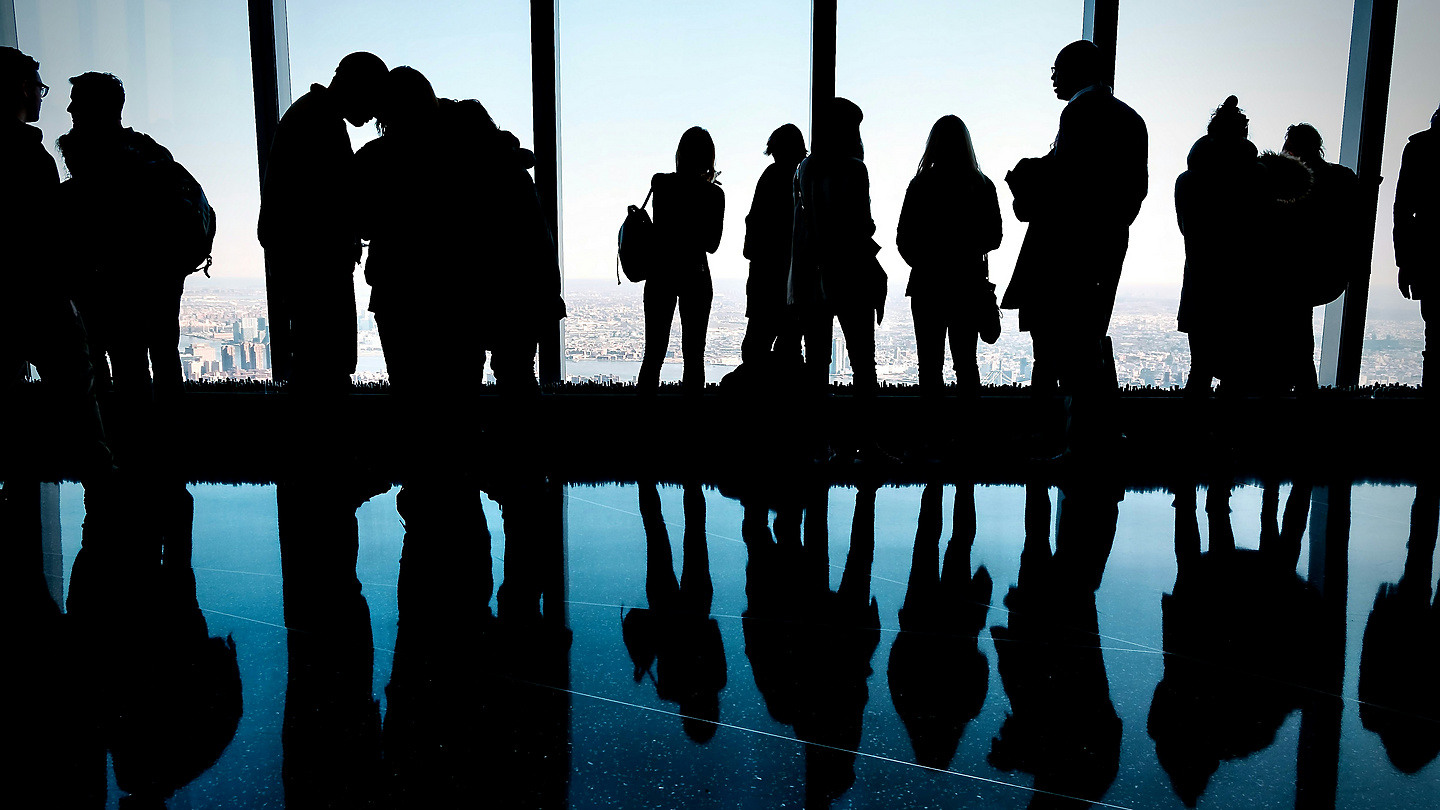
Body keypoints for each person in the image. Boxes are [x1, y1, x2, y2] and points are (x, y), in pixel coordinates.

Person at [1000, 40, 1147, 457]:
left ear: (1079, 71)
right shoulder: (1132, 120)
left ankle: (1061, 440)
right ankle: (1094, 437)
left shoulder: (1078, 114)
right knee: (1089, 341)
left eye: (1058, 68)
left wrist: (1028, 185)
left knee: (1058, 349)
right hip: (1107, 247)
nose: (1053, 77)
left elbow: (1063, 188)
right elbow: (1135, 192)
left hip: (1065, 253)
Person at [58, 72, 183, 455]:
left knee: (117, 368)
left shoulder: (91, 155)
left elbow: (90, 222)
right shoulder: (150, 152)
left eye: (77, 100)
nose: (70, 108)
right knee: (161, 358)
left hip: (109, 283)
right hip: (160, 278)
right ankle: (167, 446)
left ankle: (128, 450)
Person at [0, 46, 107, 476]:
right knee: (78, 393)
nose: (47, 98)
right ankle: (101, 481)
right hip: (41, 298)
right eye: (41, 88)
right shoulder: (31, 157)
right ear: (25, 88)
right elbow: (48, 236)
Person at [258, 51, 388, 393]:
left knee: (317, 362)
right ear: (358, 88)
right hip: (316, 265)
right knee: (325, 363)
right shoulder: (320, 124)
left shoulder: (311, 116)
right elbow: (329, 203)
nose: (374, 111)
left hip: (306, 262)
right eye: (373, 100)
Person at [438, 98, 564, 396]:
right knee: (517, 373)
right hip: (521, 294)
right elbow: (537, 241)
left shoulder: (457, 181)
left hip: (473, 293)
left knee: (465, 374)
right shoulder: (514, 174)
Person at [897, 115, 1003, 397]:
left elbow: (903, 240)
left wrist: (927, 262)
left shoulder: (920, 186)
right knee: (966, 363)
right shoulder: (982, 185)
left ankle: (933, 435)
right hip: (967, 286)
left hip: (927, 286)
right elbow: (995, 238)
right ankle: (970, 434)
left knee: (929, 366)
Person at [791, 97, 886, 395]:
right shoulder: (855, 169)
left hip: (810, 274)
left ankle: (816, 437)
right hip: (850, 275)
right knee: (863, 363)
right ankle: (864, 436)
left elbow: (800, 227)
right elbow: (862, 225)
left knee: (816, 360)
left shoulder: (804, 169)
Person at [1174, 96, 1268, 394]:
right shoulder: (1258, 177)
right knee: (1237, 372)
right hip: (1245, 284)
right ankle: (1231, 437)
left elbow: (1185, 230)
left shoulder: (1188, 180)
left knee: (1199, 367)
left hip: (1201, 280)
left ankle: (1191, 435)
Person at [637, 126, 724, 395]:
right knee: (694, 355)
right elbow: (712, 245)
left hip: (661, 273)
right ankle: (692, 425)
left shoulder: (661, 184)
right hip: (695, 274)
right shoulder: (714, 195)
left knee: (653, 353)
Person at [1282, 122, 1360, 392]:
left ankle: (1289, 390)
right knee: (1301, 340)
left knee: (1294, 337)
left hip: (1294, 272)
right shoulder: (1343, 178)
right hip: (1331, 272)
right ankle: (1306, 395)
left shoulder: (1291, 182)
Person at [740, 123, 807, 374]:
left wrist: (753, 252)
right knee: (790, 348)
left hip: (766, 280)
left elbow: (754, 225)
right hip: (797, 281)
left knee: (755, 349)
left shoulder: (771, 177)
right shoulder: (804, 177)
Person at [1395, 107, 1438, 397]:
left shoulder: (1418, 149)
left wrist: (1405, 263)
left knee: (1434, 337)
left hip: (1430, 257)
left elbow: (1402, 212)